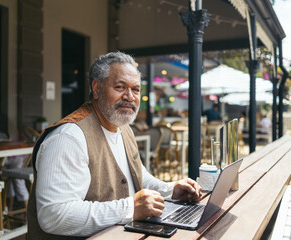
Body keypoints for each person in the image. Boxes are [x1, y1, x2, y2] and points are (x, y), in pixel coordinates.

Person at [27, 52, 202, 239]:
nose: (129, 97)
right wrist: (130, 208)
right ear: (96, 88)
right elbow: (54, 215)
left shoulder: (123, 127)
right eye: (120, 87)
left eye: (135, 89)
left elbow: (138, 176)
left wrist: (170, 190)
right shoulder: (68, 138)